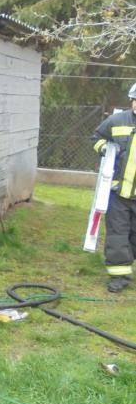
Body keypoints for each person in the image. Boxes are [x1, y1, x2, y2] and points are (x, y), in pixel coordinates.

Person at [91, 83, 136, 293]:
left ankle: (128, 260)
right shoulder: (117, 121)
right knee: (118, 235)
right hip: (118, 194)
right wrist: (106, 150)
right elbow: (97, 138)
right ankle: (119, 277)